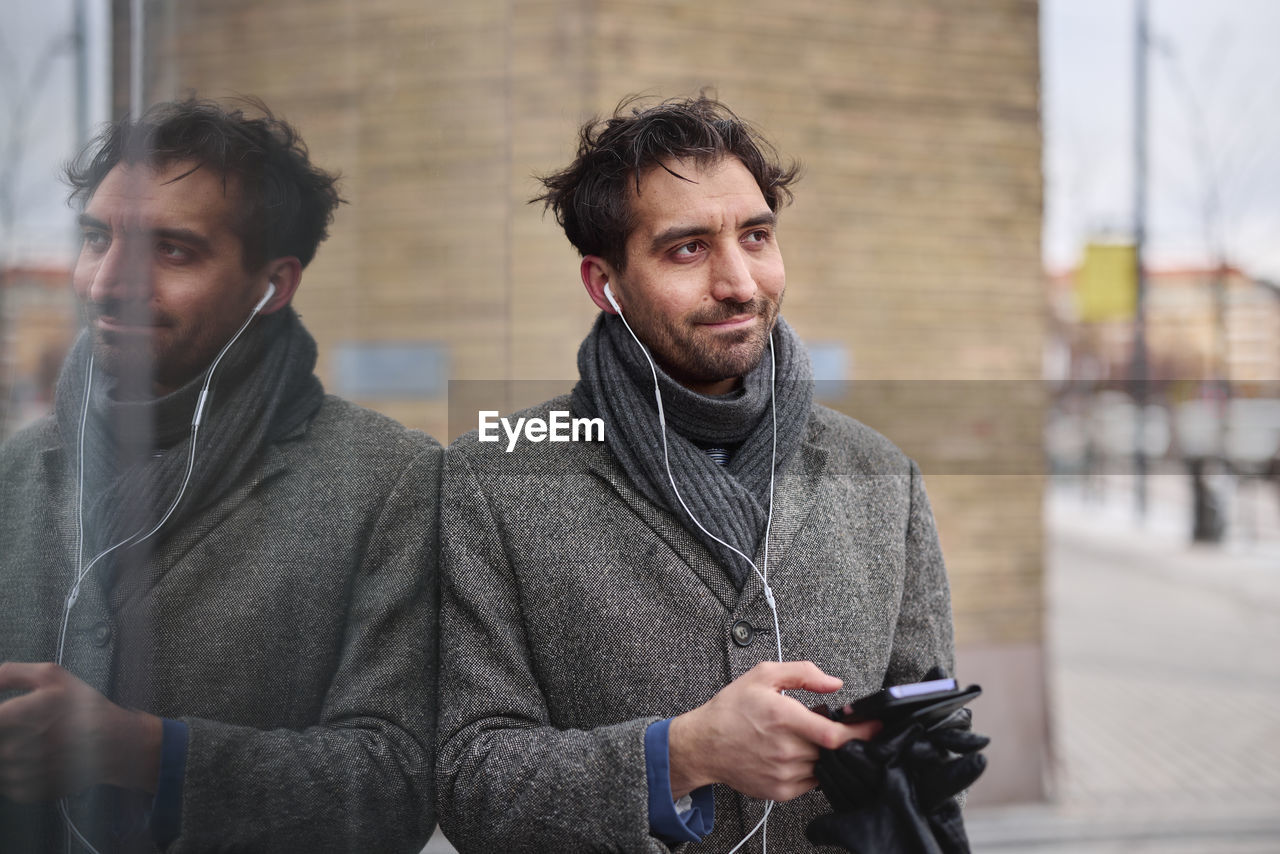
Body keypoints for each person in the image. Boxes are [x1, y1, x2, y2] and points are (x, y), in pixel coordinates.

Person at [436, 95, 962, 852]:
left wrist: (917, 764)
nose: (740, 283)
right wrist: (682, 756)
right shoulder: (489, 483)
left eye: (756, 236)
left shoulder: (882, 475)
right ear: (604, 284)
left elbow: (930, 716)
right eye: (687, 249)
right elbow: (467, 778)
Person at [0, 98, 439, 853]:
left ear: (273, 286)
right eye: (98, 238)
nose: (108, 284)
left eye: (172, 250)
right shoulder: (15, 470)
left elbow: (399, 787)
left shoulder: (389, 483)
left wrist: (143, 752)